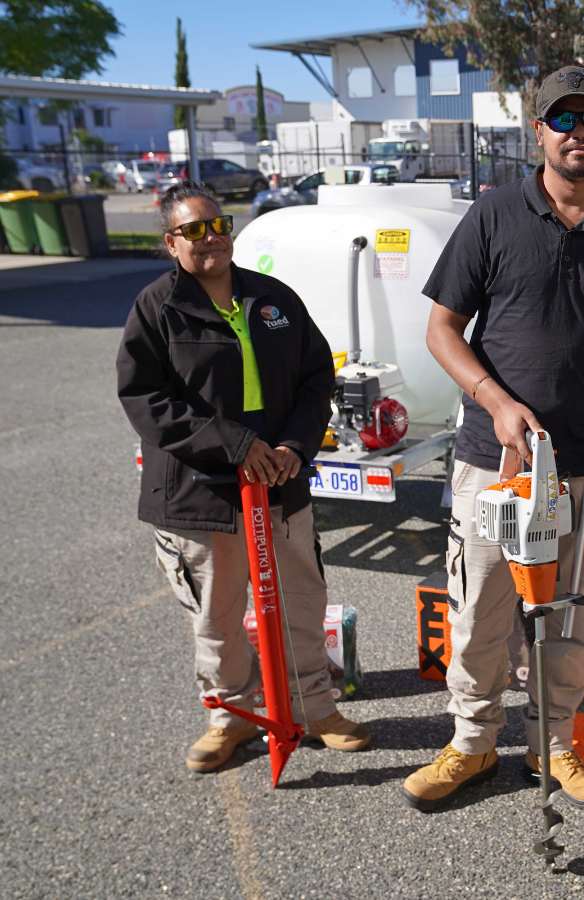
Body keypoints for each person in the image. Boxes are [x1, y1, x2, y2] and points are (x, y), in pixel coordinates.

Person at [405, 66, 584, 812]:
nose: (578, 134)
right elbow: (441, 329)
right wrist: (494, 400)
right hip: (496, 462)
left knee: (568, 614)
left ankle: (555, 744)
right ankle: (470, 744)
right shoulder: (493, 216)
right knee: (482, 610)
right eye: (563, 121)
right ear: (538, 133)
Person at [117, 183, 371, 772]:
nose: (210, 238)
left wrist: (293, 445)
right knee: (218, 615)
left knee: (303, 601)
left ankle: (315, 708)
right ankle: (229, 718)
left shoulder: (272, 297)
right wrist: (235, 445)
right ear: (170, 243)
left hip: (280, 480)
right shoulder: (156, 308)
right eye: (194, 231)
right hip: (200, 493)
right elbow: (145, 399)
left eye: (218, 224)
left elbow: (316, 378)